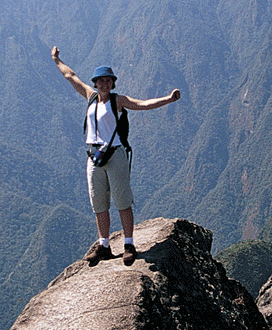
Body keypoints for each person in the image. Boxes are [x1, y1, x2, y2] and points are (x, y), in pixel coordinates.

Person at [51, 46, 181, 266]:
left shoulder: (117, 101)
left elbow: (142, 104)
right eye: (101, 81)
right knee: (99, 204)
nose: (104, 84)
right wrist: (56, 59)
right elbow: (69, 76)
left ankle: (129, 244)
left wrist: (168, 99)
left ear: (112, 83)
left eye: (108, 81)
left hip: (115, 156)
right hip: (93, 157)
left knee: (122, 201)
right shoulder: (90, 97)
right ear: (95, 83)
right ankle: (104, 245)